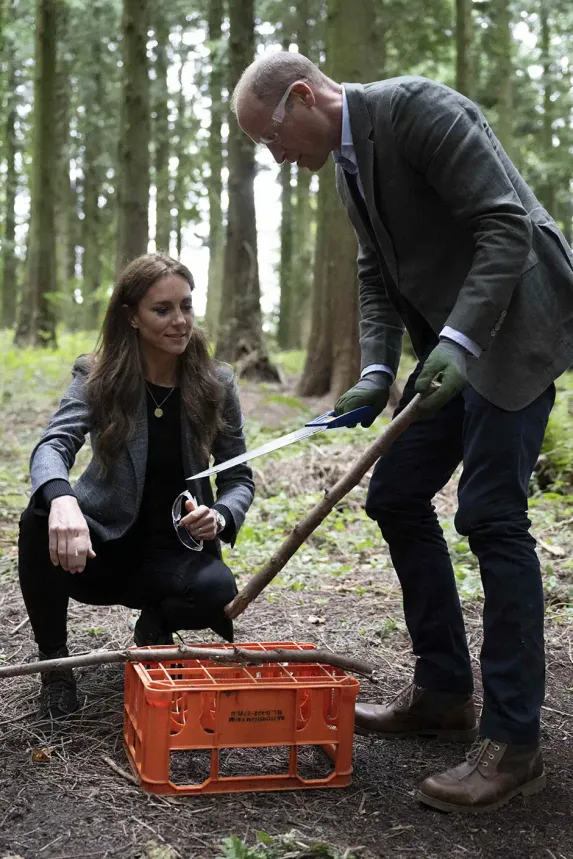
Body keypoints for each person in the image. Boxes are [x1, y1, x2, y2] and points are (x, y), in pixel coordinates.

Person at [232, 51, 573, 812]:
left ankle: (514, 742)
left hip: (516, 326)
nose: (275, 155)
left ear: (303, 95)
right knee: (395, 495)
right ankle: (444, 691)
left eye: (272, 136)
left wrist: (458, 341)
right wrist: (377, 369)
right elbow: (374, 270)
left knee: (491, 516)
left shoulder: (420, 110)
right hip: (456, 343)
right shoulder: (349, 162)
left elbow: (505, 225)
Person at [18, 253, 255, 722]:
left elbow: (238, 477)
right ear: (132, 316)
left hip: (176, 553)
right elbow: (53, 445)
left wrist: (221, 515)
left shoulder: (216, 382)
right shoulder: (98, 375)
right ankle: (55, 667)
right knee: (39, 517)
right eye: (162, 309)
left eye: (186, 306)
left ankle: (154, 628)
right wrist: (62, 499)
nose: (179, 321)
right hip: (101, 547)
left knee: (216, 589)